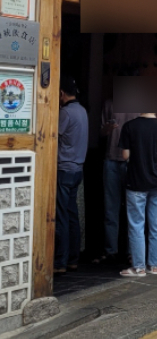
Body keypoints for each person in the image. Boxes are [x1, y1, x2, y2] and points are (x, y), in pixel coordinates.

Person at [117, 111, 157, 276]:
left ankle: (139, 267)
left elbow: (125, 155)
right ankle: (155, 266)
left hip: (136, 180)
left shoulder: (129, 126)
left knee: (136, 225)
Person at [54, 76, 89, 275]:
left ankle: (60, 262)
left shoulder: (65, 113)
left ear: (61, 93)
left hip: (64, 169)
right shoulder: (83, 111)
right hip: (78, 169)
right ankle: (73, 260)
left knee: (61, 217)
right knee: (72, 215)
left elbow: (54, 135)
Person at [98, 99, 139, 265]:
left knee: (134, 209)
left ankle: (132, 251)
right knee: (110, 209)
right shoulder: (109, 104)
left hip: (133, 161)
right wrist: (107, 129)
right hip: (111, 160)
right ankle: (111, 251)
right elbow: (101, 132)